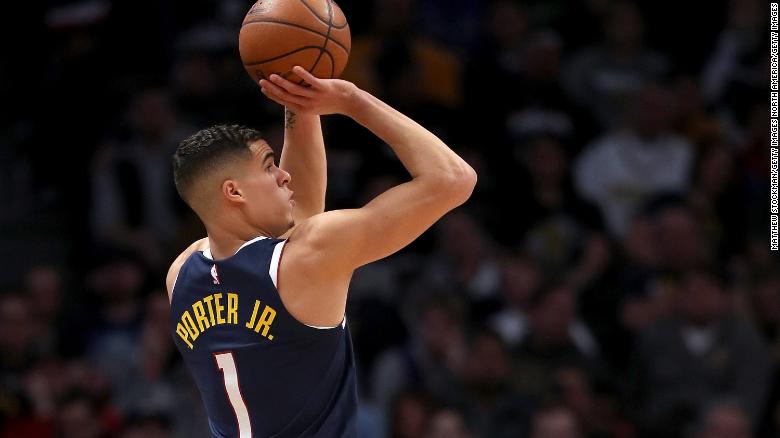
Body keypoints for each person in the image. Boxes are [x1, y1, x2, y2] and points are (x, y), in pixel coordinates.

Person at [165, 66, 477, 437]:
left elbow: (299, 212)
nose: (284, 175)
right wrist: (351, 100)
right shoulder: (307, 256)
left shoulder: (181, 273)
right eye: (269, 167)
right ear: (234, 192)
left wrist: (300, 102)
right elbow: (453, 179)